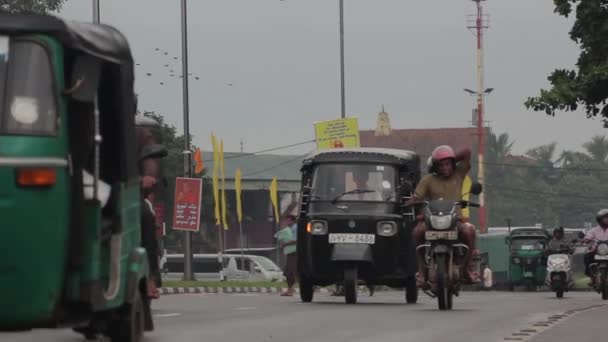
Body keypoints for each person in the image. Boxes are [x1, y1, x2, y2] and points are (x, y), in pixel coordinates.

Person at [406, 145, 479, 287]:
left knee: (470, 231)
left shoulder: (459, 174)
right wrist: (411, 201)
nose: (445, 168)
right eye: (441, 165)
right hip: (432, 221)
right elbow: (417, 196)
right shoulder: (428, 180)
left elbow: (467, 151)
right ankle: (422, 271)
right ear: (435, 167)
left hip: (455, 220)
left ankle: (467, 268)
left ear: (452, 164)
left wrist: (448, 156)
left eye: (448, 164)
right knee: (417, 232)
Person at [583, 209, 608, 286]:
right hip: (596, 250)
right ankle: (592, 277)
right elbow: (588, 237)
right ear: (600, 219)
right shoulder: (594, 230)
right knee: (587, 257)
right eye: (605, 218)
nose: (607, 219)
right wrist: (586, 239)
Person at [275, 215, 298, 296]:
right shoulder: (288, 229)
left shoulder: (295, 228)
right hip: (290, 252)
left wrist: (285, 244)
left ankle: (290, 290)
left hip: (295, 252)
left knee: (290, 271)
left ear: (292, 220)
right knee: (288, 271)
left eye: (288, 220)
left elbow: (296, 240)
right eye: (286, 220)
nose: (286, 222)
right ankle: (290, 290)